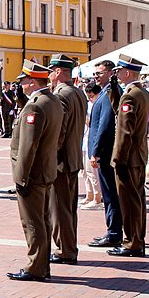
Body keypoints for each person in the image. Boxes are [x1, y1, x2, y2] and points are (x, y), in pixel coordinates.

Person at [7, 62, 64, 281]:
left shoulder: (35, 106)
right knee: (43, 219)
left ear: (32, 81)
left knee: (32, 221)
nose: (20, 84)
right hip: (46, 169)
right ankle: (42, 264)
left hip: (32, 174)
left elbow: (28, 146)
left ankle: (36, 267)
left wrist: (21, 178)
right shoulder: (52, 100)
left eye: (23, 80)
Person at [107, 55, 149, 258]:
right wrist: (114, 91)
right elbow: (120, 113)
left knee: (130, 202)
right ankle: (137, 239)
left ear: (127, 73)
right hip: (139, 155)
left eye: (118, 72)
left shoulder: (130, 96)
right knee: (138, 200)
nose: (116, 74)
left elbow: (125, 131)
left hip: (129, 157)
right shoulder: (141, 92)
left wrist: (119, 160)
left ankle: (132, 242)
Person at [47, 55, 86, 265]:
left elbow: (59, 132)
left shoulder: (61, 95)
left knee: (59, 208)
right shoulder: (78, 92)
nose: (50, 75)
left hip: (61, 160)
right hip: (73, 157)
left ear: (59, 72)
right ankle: (69, 246)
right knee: (69, 208)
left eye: (52, 71)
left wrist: (50, 156)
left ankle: (65, 250)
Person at [88, 60, 123, 249]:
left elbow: (105, 125)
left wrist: (96, 151)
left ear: (110, 73)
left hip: (106, 151)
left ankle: (114, 233)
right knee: (108, 192)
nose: (96, 76)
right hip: (104, 150)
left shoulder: (111, 93)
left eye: (99, 73)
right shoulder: (104, 92)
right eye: (95, 73)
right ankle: (112, 230)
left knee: (110, 193)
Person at [80, 83, 103, 210]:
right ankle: (89, 194)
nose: (89, 99)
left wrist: (83, 117)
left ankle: (97, 197)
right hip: (84, 139)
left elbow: (92, 123)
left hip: (92, 140)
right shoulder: (88, 105)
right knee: (84, 170)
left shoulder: (98, 105)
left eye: (91, 96)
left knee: (92, 170)